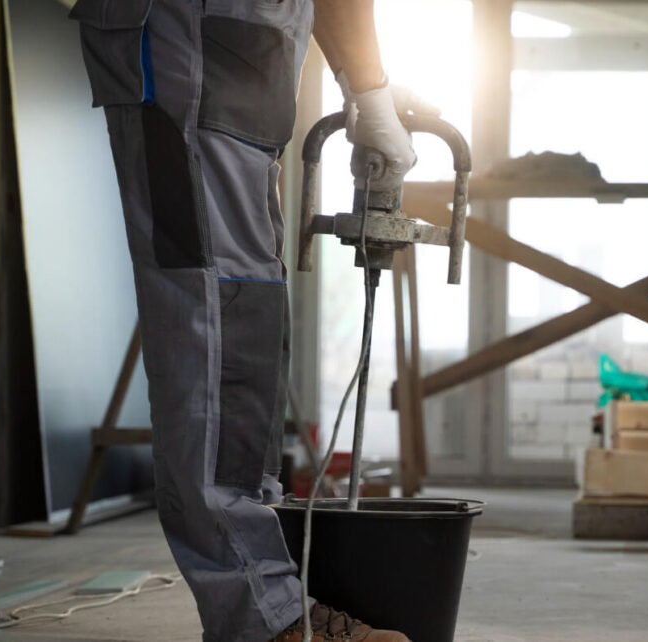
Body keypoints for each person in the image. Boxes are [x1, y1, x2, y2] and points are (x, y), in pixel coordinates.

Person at [69, 1, 422, 639]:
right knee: (216, 315)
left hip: (241, 54)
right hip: (193, 45)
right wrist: (369, 89)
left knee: (247, 313)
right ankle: (260, 617)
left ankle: (265, 590)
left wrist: (366, 90)